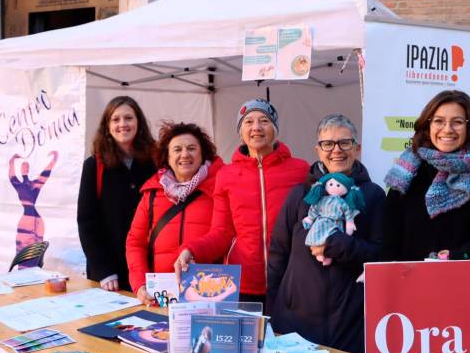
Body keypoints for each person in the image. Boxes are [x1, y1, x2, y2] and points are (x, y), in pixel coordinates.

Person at [267, 114, 384, 353]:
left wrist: (337, 244)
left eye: (344, 143)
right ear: (318, 150)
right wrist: (272, 312)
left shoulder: (373, 196)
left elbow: (382, 256)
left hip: (349, 323)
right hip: (294, 320)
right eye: (328, 144)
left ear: (357, 148)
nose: (336, 151)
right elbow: (278, 254)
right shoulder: (300, 195)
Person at [175, 99, 308, 302]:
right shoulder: (226, 175)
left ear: (275, 128)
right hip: (243, 284)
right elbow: (221, 233)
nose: (256, 127)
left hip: (291, 281)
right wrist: (190, 250)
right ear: (240, 132)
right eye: (248, 122)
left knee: (285, 335)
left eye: (264, 120)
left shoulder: (300, 170)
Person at [382, 90, 470, 261]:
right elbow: (388, 235)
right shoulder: (407, 171)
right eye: (439, 121)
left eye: (457, 122)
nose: (447, 129)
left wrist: (455, 257)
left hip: (468, 281)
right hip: (410, 281)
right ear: (428, 125)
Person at [126, 122, 224, 305]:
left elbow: (224, 237)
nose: (184, 154)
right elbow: (135, 242)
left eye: (192, 148)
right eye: (177, 149)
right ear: (168, 157)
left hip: (207, 295)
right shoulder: (152, 194)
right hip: (160, 298)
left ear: (203, 154)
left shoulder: (219, 189)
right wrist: (139, 284)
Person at [77, 96, 156, 292]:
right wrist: (103, 269)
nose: (123, 124)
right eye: (115, 119)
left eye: (128, 118)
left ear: (139, 122)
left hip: (150, 267)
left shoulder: (155, 160)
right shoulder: (94, 166)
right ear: (107, 126)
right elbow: (87, 223)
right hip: (110, 274)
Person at [9, 150, 58, 264]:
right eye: (23, 167)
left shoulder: (33, 184)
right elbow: (11, 175)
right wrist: (12, 162)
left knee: (37, 247)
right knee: (24, 246)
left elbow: (45, 173)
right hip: (28, 219)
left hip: (34, 219)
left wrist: (53, 160)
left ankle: (35, 268)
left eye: (26, 167)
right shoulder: (21, 185)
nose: (24, 169)